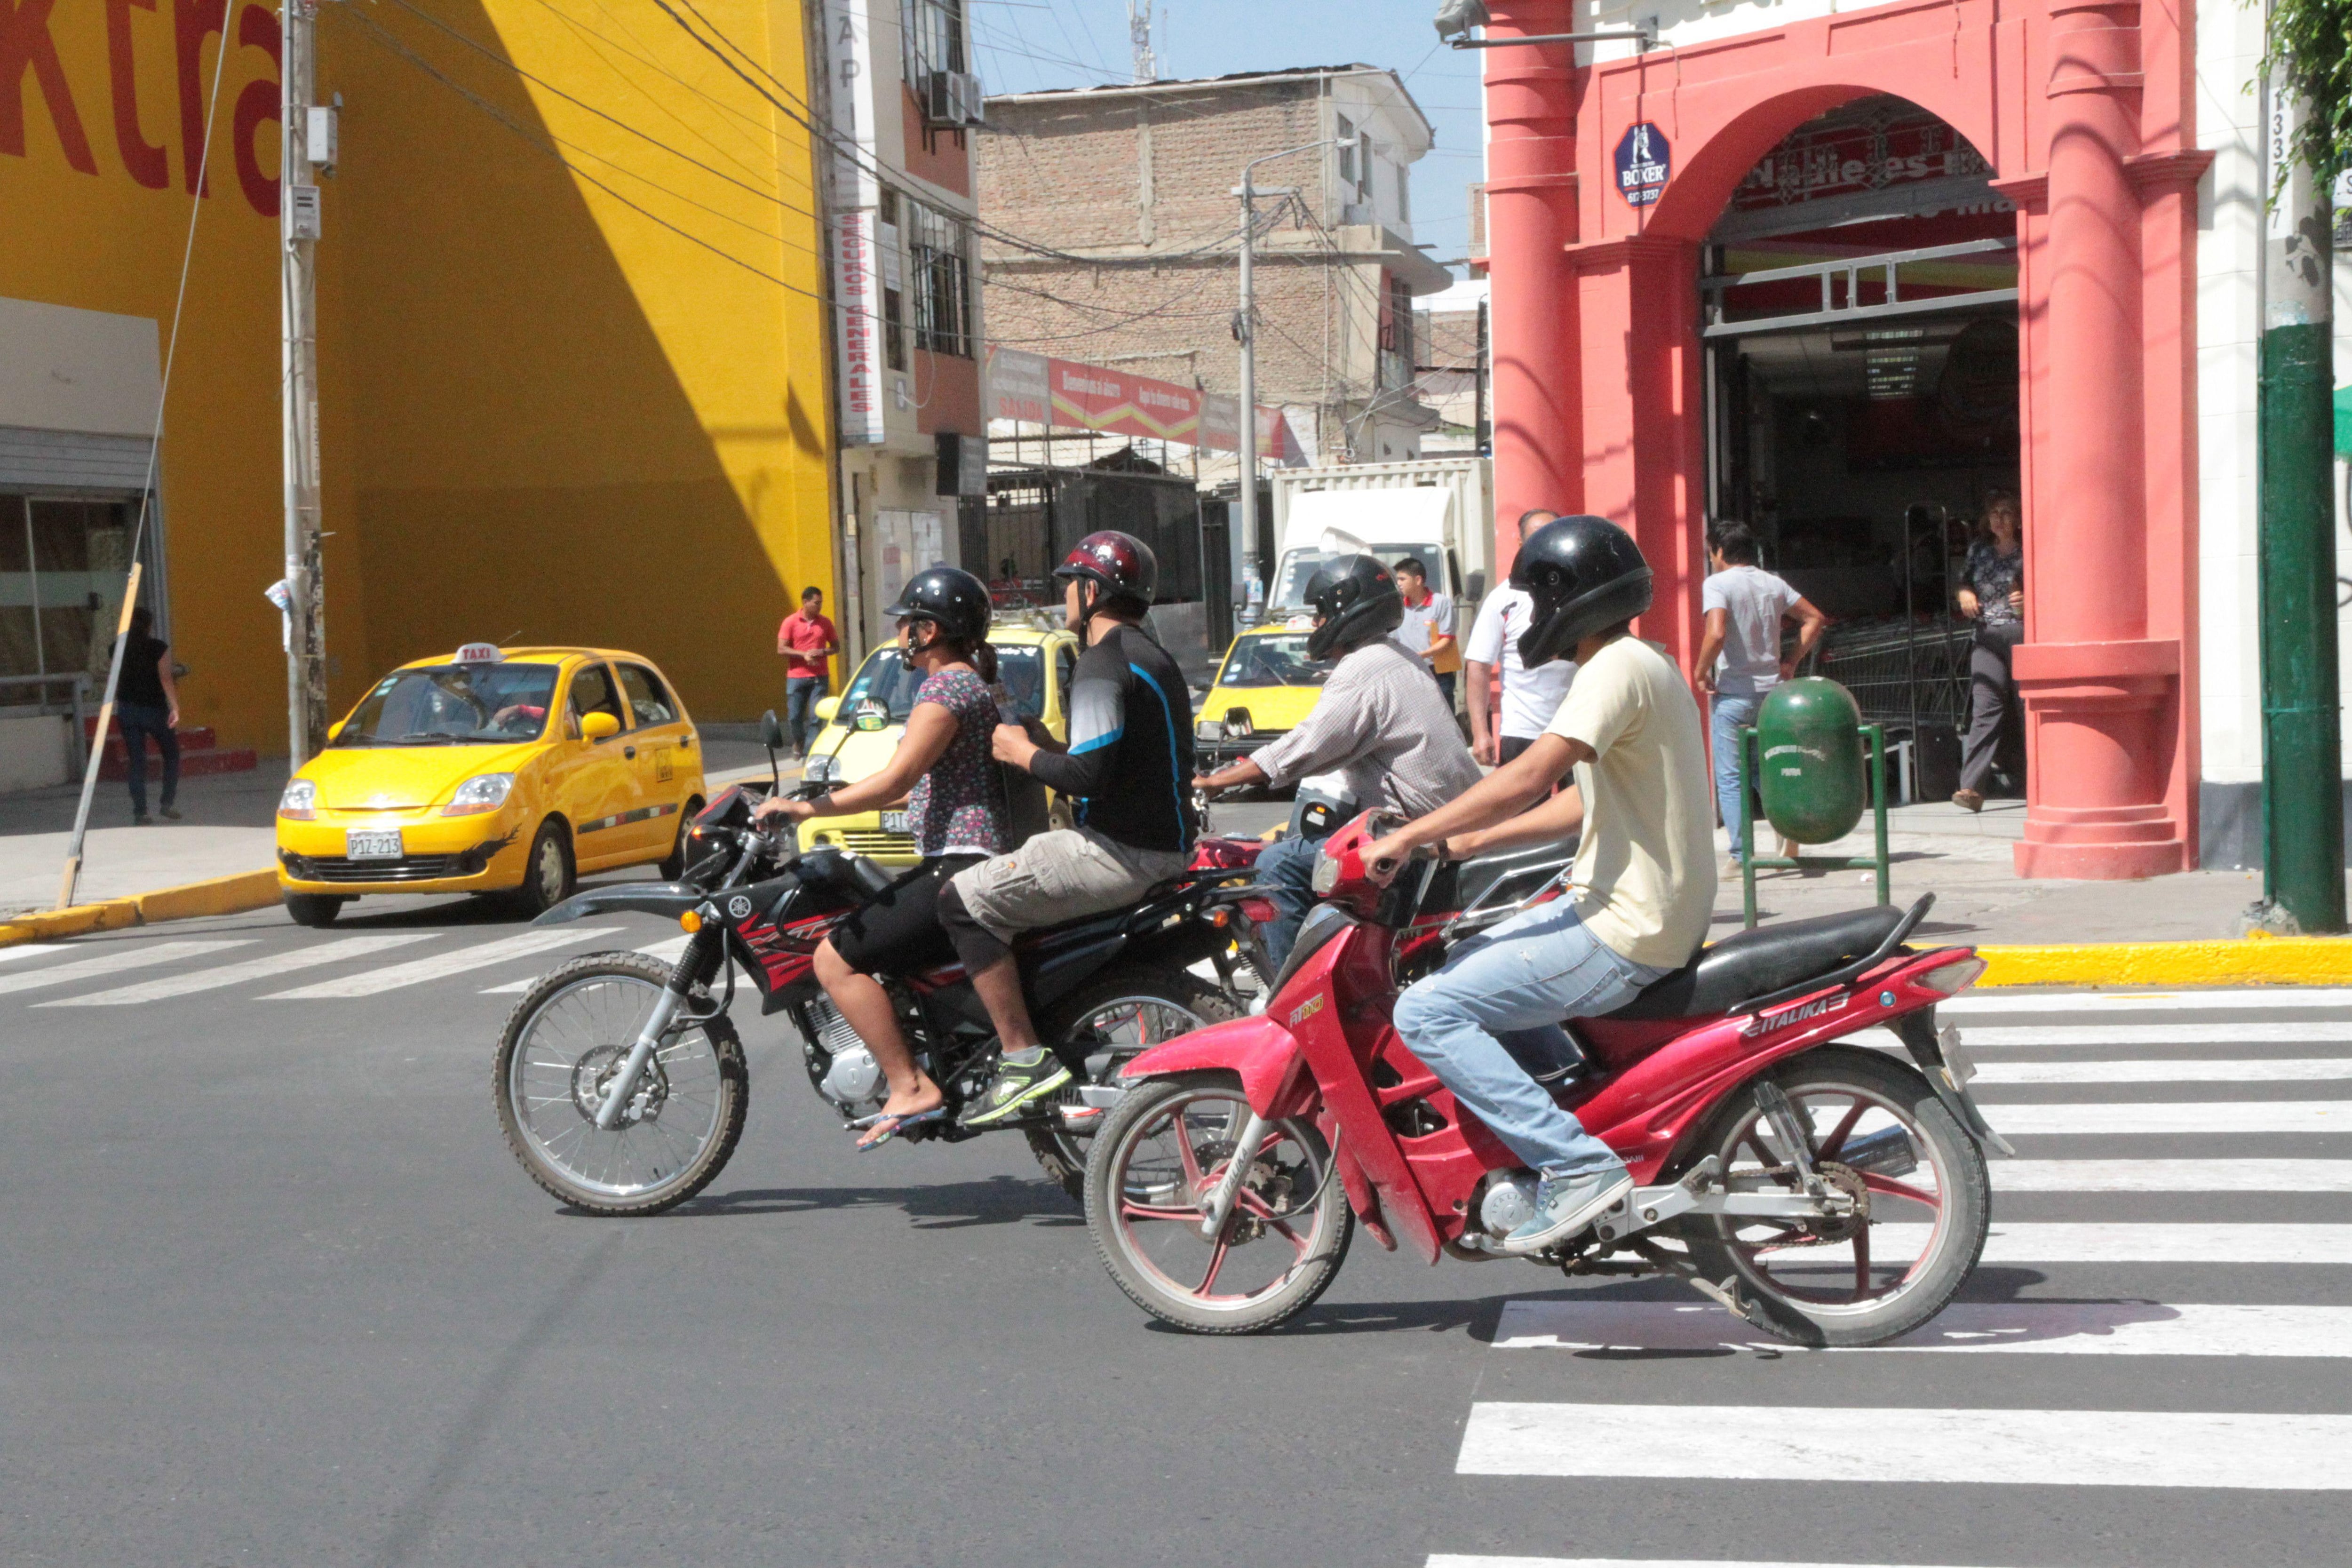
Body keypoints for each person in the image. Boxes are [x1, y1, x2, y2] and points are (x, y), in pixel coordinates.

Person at [1365, 516, 1713, 1255]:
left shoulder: (1612, 668)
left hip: (1627, 925)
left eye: (1531, 598)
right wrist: (1470, 841)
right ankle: (1567, 1105)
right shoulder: (1641, 662)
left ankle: (1577, 1165)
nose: (1527, 616)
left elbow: (1527, 775)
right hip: (1641, 911)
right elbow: (1582, 801)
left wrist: (1407, 836)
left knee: (1428, 1011)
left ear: (1569, 594)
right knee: (1467, 961)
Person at [937, 530, 1198, 1126]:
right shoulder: (1149, 656)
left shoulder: (1101, 665)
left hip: (1118, 851)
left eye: (1069, 587)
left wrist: (1017, 752)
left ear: (1092, 590)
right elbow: (1115, 760)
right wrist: (1044, 743)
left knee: (960, 902)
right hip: (1159, 845)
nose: (1064, 601)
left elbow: (1087, 776)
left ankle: (1021, 1056)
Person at [756, 567, 1006, 1149]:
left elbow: (897, 777)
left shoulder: (946, 689)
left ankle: (908, 1083)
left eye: (907, 621)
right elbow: (904, 785)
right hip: (966, 859)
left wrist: (807, 810)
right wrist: (815, 803)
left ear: (930, 629)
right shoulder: (975, 682)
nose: (899, 632)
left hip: (959, 865)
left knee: (834, 961)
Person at [1193, 555, 1481, 965]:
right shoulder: (1398, 655)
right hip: (1446, 825)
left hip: (1414, 840)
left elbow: (1303, 746)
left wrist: (1211, 782)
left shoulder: (1362, 669)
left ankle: (1293, 1000)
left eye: (1321, 613)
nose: (1316, 624)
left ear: (1348, 611)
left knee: (1277, 863)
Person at [1691, 521, 1828, 878]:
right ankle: (1790, 829)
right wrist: (1791, 661)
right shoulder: (1774, 583)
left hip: (1734, 694)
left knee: (1732, 775)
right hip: (1772, 694)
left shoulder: (1717, 584)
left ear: (1719, 551)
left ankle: (1741, 854)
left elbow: (1716, 632)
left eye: (1711, 552)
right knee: (1765, 767)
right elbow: (1815, 618)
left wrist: (1701, 670)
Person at [1465, 509, 1577, 766]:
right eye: (1539, 537)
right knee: (1524, 808)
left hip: (1577, 728)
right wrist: (1481, 732)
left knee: (1582, 806)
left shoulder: (1578, 591)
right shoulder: (1503, 598)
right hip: (1523, 731)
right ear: (1521, 543)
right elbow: (1479, 667)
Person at [1953, 492, 2024, 812]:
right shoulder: (1979, 551)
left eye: (2007, 513)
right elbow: (1964, 582)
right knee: (1985, 707)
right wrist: (1966, 593)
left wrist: (2030, 601)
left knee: (2028, 709)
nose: (2000, 519)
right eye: (1995, 513)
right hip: (1987, 635)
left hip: (2024, 635)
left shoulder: (2029, 551)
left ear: (2018, 519)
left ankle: (2043, 781)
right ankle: (1971, 786)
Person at [112, 607, 181, 825]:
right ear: (149, 625)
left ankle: (141, 812)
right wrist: (175, 707)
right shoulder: (158, 648)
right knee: (171, 753)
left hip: (128, 710)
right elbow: (166, 679)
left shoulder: (116, 649)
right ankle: (166, 803)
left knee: (137, 761)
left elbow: (112, 676)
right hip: (154, 710)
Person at [776, 586, 839, 757]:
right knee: (795, 717)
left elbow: (836, 647)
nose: (819, 607)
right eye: (816, 603)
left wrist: (822, 652)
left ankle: (810, 753)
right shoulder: (791, 622)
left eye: (821, 603)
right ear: (805, 602)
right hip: (797, 677)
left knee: (816, 717)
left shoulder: (825, 623)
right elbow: (781, 649)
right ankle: (799, 741)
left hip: (819, 677)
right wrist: (803, 655)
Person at [1391, 556, 1460, 706]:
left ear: (1418, 580)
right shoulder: (1398, 607)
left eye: (1403, 579)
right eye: (1398, 580)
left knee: (1444, 720)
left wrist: (1421, 655)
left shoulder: (1441, 603)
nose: (1399, 584)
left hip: (1438, 674)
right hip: (1408, 673)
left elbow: (1447, 639)